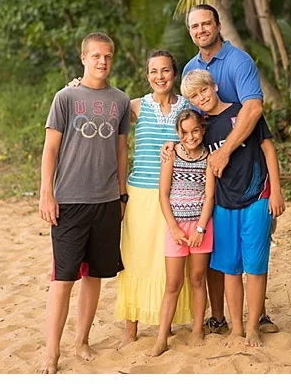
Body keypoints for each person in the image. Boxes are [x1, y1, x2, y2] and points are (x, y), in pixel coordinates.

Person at [163, 3, 278, 334]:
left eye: (206, 23)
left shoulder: (239, 61)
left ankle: (259, 317)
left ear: (217, 25)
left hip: (248, 176)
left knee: (253, 255)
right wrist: (172, 143)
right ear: (190, 31)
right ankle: (220, 317)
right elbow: (189, 121)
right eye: (194, 26)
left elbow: (254, 109)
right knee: (222, 256)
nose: (201, 30)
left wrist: (225, 152)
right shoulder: (190, 69)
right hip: (215, 187)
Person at [37, 32, 131, 374]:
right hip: (69, 201)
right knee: (63, 279)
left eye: (107, 56)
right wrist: (46, 193)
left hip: (106, 201)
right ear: (83, 58)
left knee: (94, 276)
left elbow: (121, 151)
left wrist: (122, 194)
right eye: (96, 56)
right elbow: (50, 149)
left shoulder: (120, 101)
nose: (102, 62)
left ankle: (82, 341)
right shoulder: (65, 97)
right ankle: (51, 352)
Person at [180, 69, 285, 347]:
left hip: (257, 197)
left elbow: (268, 149)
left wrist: (276, 191)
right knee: (231, 269)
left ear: (214, 86)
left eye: (204, 90)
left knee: (255, 266)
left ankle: (253, 328)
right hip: (223, 204)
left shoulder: (243, 112)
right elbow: (186, 145)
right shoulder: (202, 127)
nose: (201, 97)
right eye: (194, 96)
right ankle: (237, 328)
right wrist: (169, 146)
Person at [115, 50, 194, 346]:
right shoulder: (135, 106)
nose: (160, 77)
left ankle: (166, 325)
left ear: (174, 73)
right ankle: (130, 331)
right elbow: (103, 109)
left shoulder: (187, 106)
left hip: (175, 197)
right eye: (153, 71)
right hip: (139, 195)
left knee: (166, 264)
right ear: (147, 75)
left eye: (165, 70)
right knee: (135, 259)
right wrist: (76, 87)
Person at [147, 109, 215, 357]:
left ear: (203, 130)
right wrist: (174, 228)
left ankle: (197, 330)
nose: (190, 136)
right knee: (173, 283)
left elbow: (209, 196)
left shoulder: (209, 157)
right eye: (184, 132)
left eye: (195, 130)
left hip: (200, 229)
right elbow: (163, 194)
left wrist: (200, 228)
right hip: (176, 229)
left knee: (197, 279)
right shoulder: (172, 154)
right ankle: (162, 337)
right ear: (178, 133)